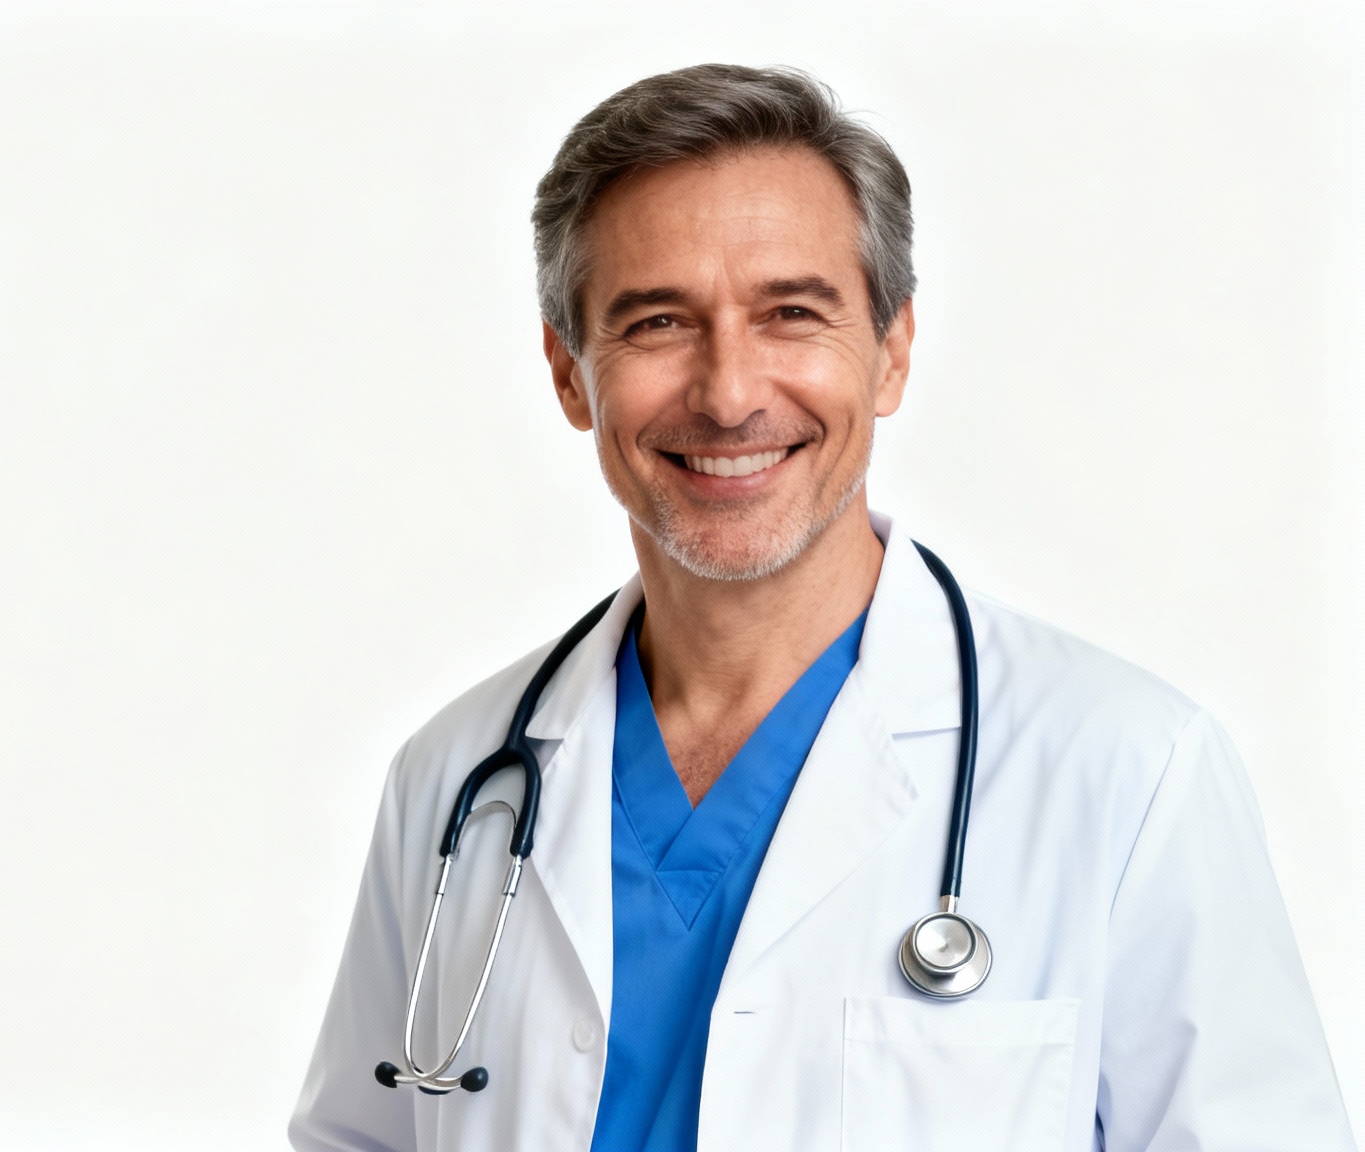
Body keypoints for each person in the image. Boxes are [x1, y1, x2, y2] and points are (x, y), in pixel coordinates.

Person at [288, 65, 1354, 1152]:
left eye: (790, 312)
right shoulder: (454, 779)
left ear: (889, 349)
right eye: (657, 322)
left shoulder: (1124, 770)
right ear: (570, 374)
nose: (729, 392)